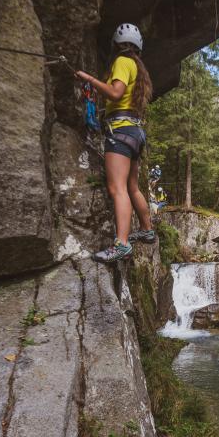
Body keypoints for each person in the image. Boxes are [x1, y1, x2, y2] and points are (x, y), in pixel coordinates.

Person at [76, 23, 156, 263]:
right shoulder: (137, 68)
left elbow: (115, 93)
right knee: (132, 187)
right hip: (134, 132)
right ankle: (146, 229)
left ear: (117, 45)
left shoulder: (122, 62)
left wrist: (89, 78)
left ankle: (121, 244)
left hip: (120, 131)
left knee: (117, 188)